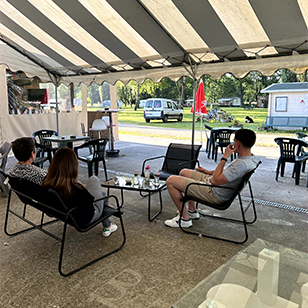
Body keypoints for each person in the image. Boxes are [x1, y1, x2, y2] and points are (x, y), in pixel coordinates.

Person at [165, 129, 258, 228]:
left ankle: (184, 219)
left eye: (234, 141)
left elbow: (215, 181)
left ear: (237, 144)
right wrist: (208, 172)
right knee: (184, 172)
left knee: (171, 181)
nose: (233, 143)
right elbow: (227, 174)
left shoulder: (241, 164)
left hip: (214, 192)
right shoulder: (250, 159)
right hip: (215, 183)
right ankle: (192, 210)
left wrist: (225, 157)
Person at [43, 148, 117, 237]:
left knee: (103, 194)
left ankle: (107, 225)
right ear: (73, 167)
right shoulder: (76, 190)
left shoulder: (48, 183)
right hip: (86, 218)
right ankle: (107, 226)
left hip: (66, 214)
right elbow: (90, 202)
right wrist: (83, 188)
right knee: (93, 179)